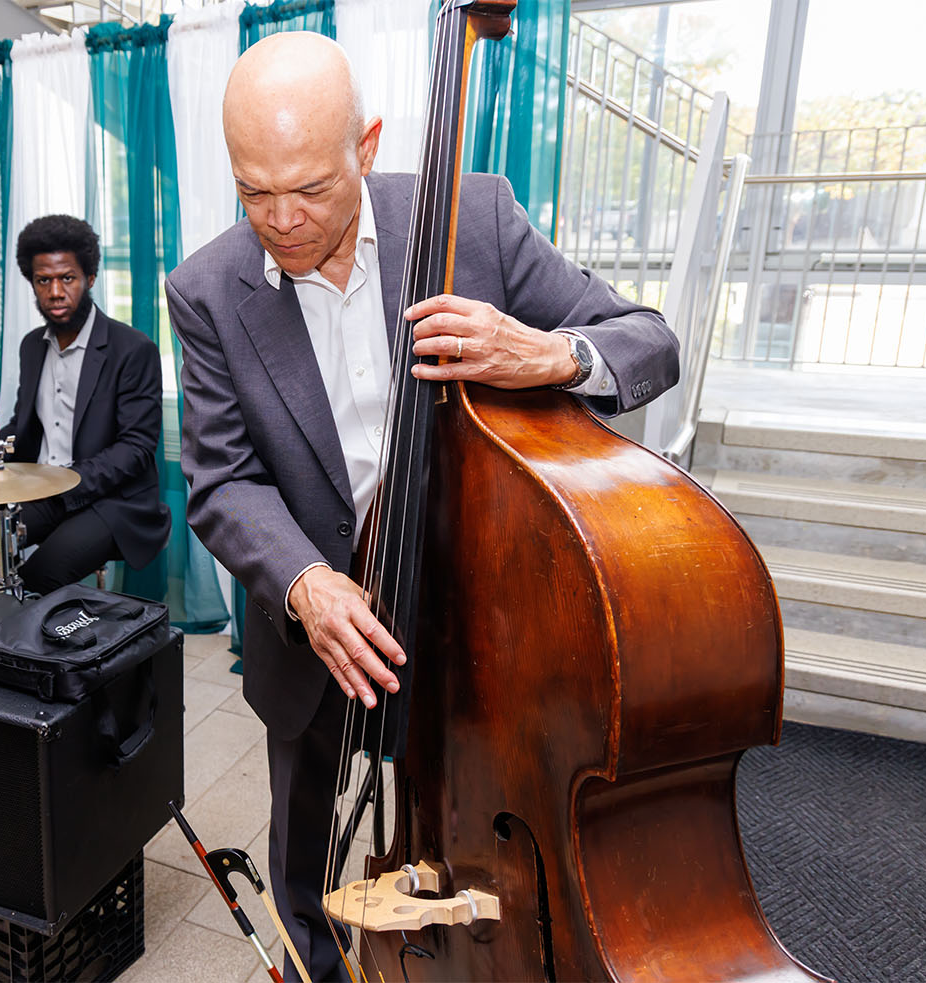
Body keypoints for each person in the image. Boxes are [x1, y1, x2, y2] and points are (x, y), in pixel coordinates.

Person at [164, 33, 679, 982]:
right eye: (252, 191)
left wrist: (546, 354)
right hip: (317, 636)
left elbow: (649, 340)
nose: (279, 219)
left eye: (310, 189)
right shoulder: (205, 287)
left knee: (481, 853)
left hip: (482, 623)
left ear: (365, 144)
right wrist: (306, 585)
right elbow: (221, 477)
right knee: (307, 859)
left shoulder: (472, 218)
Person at [0, 215, 170, 594]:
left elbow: (136, 449)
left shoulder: (133, 349)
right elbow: (24, 430)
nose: (55, 292)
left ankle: (38, 648)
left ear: (90, 278)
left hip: (112, 503)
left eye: (67, 278)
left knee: (38, 576)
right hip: (45, 493)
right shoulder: (33, 346)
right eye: (43, 280)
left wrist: (66, 483)